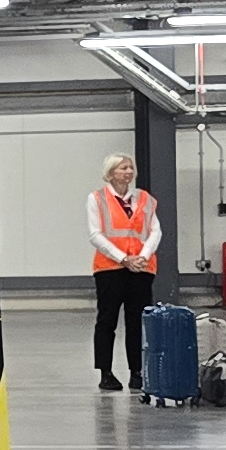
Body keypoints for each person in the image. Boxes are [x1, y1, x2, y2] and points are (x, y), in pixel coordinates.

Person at [87, 153, 160, 391]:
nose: (128, 172)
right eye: (122, 168)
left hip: (141, 268)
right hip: (110, 268)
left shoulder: (145, 199)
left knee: (137, 322)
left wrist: (142, 257)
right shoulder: (96, 199)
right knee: (106, 321)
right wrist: (123, 258)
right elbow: (95, 234)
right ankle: (105, 373)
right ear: (110, 174)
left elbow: (155, 231)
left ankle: (137, 372)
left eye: (130, 168)